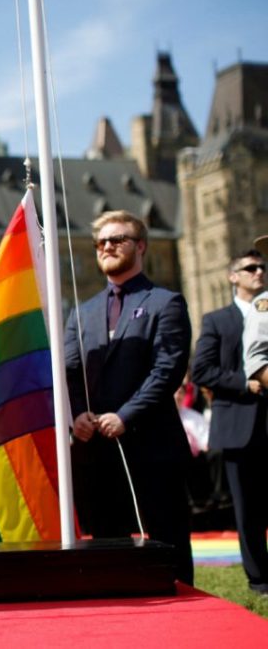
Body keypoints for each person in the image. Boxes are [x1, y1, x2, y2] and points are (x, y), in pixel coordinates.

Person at [64, 210, 193, 584]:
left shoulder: (165, 303)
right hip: (95, 451)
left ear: (140, 246)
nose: (106, 246)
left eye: (116, 239)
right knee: (107, 546)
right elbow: (71, 372)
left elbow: (166, 370)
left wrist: (126, 415)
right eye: (101, 242)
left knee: (168, 543)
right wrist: (77, 415)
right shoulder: (81, 312)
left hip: (151, 444)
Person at [213, 243, 268, 595]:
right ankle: (259, 578)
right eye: (250, 268)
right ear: (233, 276)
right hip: (239, 422)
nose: (259, 273)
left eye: (262, 267)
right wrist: (247, 382)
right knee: (247, 507)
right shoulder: (218, 320)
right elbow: (204, 369)